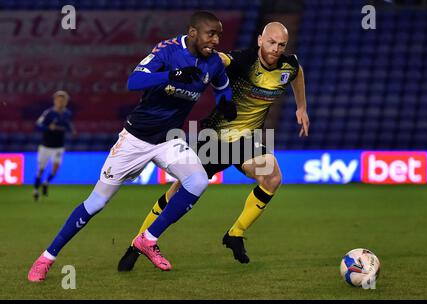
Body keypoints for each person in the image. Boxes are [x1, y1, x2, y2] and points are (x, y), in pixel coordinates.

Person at [28, 11, 236, 282]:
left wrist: (226, 102)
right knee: (96, 202)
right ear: (193, 32)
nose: (216, 40)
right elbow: (133, 81)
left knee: (197, 182)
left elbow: (222, 86)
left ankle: (147, 240)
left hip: (169, 138)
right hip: (135, 139)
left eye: (219, 34)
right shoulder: (167, 51)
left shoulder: (214, 63)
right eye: (211, 34)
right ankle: (46, 258)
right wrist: (171, 75)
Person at [117, 21, 309, 271]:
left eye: (281, 45)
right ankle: (138, 243)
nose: (275, 49)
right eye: (271, 42)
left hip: (247, 140)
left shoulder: (288, 65)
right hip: (215, 137)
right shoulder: (243, 60)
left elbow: (297, 73)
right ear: (260, 40)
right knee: (180, 191)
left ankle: (235, 234)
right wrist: (192, 50)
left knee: (272, 178)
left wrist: (301, 106)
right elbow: (220, 59)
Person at [33, 91, 75, 201]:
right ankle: (36, 190)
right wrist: (48, 128)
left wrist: (71, 130)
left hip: (58, 146)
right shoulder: (48, 113)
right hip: (45, 146)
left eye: (63, 100)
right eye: (59, 100)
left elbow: (67, 125)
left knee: (55, 168)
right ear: (55, 101)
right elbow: (38, 125)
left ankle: (46, 182)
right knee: (41, 169)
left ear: (66, 102)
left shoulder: (67, 114)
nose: (61, 102)